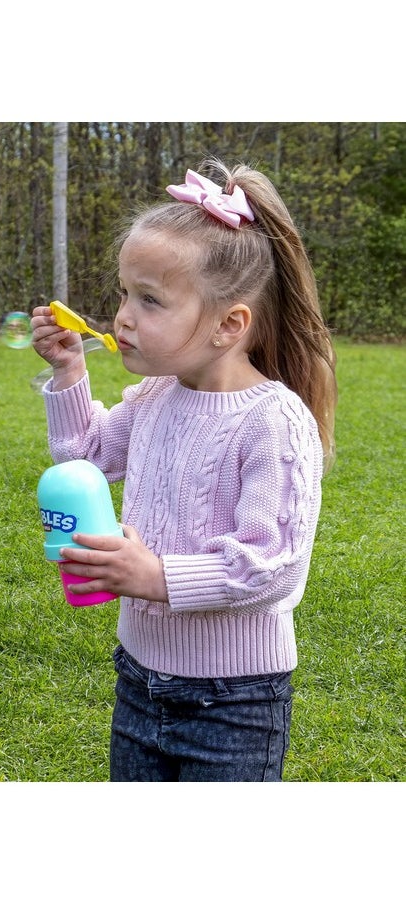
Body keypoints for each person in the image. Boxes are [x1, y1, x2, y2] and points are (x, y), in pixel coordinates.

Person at [31, 160, 337, 782]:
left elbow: (274, 564)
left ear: (230, 325)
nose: (121, 316)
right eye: (123, 293)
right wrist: (69, 374)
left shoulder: (272, 421)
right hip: (139, 676)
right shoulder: (153, 398)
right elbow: (86, 459)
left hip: (235, 699)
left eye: (150, 300)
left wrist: (157, 576)